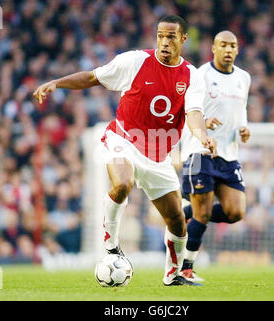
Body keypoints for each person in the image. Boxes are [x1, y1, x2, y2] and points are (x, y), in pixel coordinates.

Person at [33, 15, 217, 286]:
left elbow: (194, 112)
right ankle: (110, 244)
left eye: (171, 37)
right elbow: (92, 77)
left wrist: (201, 134)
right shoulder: (135, 61)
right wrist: (57, 83)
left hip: (158, 155)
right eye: (160, 36)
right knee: (123, 182)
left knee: (177, 221)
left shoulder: (191, 76)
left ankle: (173, 274)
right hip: (124, 139)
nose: (164, 42)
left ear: (183, 39)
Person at [180, 31, 251, 282]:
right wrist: (204, 123)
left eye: (233, 45)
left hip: (229, 156)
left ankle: (183, 212)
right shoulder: (200, 76)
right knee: (203, 215)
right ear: (213, 48)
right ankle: (185, 268)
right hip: (202, 152)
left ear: (237, 49)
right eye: (223, 45)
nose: (228, 49)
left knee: (235, 212)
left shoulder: (244, 77)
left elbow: (240, 109)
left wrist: (244, 128)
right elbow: (188, 110)